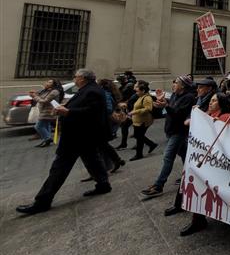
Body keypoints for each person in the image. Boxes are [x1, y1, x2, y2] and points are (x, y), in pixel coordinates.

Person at [16, 69, 112, 215]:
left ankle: (43, 201)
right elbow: (82, 107)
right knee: (92, 160)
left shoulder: (93, 91)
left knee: (59, 167)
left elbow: (92, 112)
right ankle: (103, 184)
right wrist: (63, 109)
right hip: (82, 136)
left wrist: (68, 112)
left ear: (83, 78)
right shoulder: (86, 89)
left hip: (79, 136)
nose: (74, 79)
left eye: (76, 77)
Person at [178, 92, 230, 237]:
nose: (211, 103)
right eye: (210, 100)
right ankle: (197, 219)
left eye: (214, 101)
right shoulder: (206, 114)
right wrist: (196, 115)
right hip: (203, 159)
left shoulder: (226, 117)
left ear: (221, 103)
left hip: (218, 162)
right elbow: (188, 123)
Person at [140, 75, 194, 197]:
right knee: (185, 155)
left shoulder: (188, 97)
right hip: (170, 130)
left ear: (183, 85)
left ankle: (158, 185)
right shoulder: (175, 95)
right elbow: (170, 111)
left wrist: (166, 106)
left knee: (168, 157)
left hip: (179, 132)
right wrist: (161, 104)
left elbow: (178, 114)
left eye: (176, 82)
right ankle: (191, 175)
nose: (173, 84)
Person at [128, 80, 158, 161]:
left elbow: (148, 109)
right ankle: (151, 145)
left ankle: (139, 154)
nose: (136, 92)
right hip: (138, 121)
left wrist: (134, 112)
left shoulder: (147, 98)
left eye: (137, 91)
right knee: (139, 136)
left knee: (139, 137)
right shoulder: (141, 96)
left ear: (143, 90)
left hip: (143, 121)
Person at [29, 79, 64, 147]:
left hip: (48, 111)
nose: (47, 83)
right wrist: (34, 94)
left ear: (54, 84)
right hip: (43, 110)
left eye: (50, 82)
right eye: (47, 81)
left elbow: (45, 101)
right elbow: (40, 97)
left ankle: (48, 138)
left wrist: (34, 96)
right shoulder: (46, 90)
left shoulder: (54, 91)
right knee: (46, 126)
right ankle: (46, 140)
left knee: (38, 126)